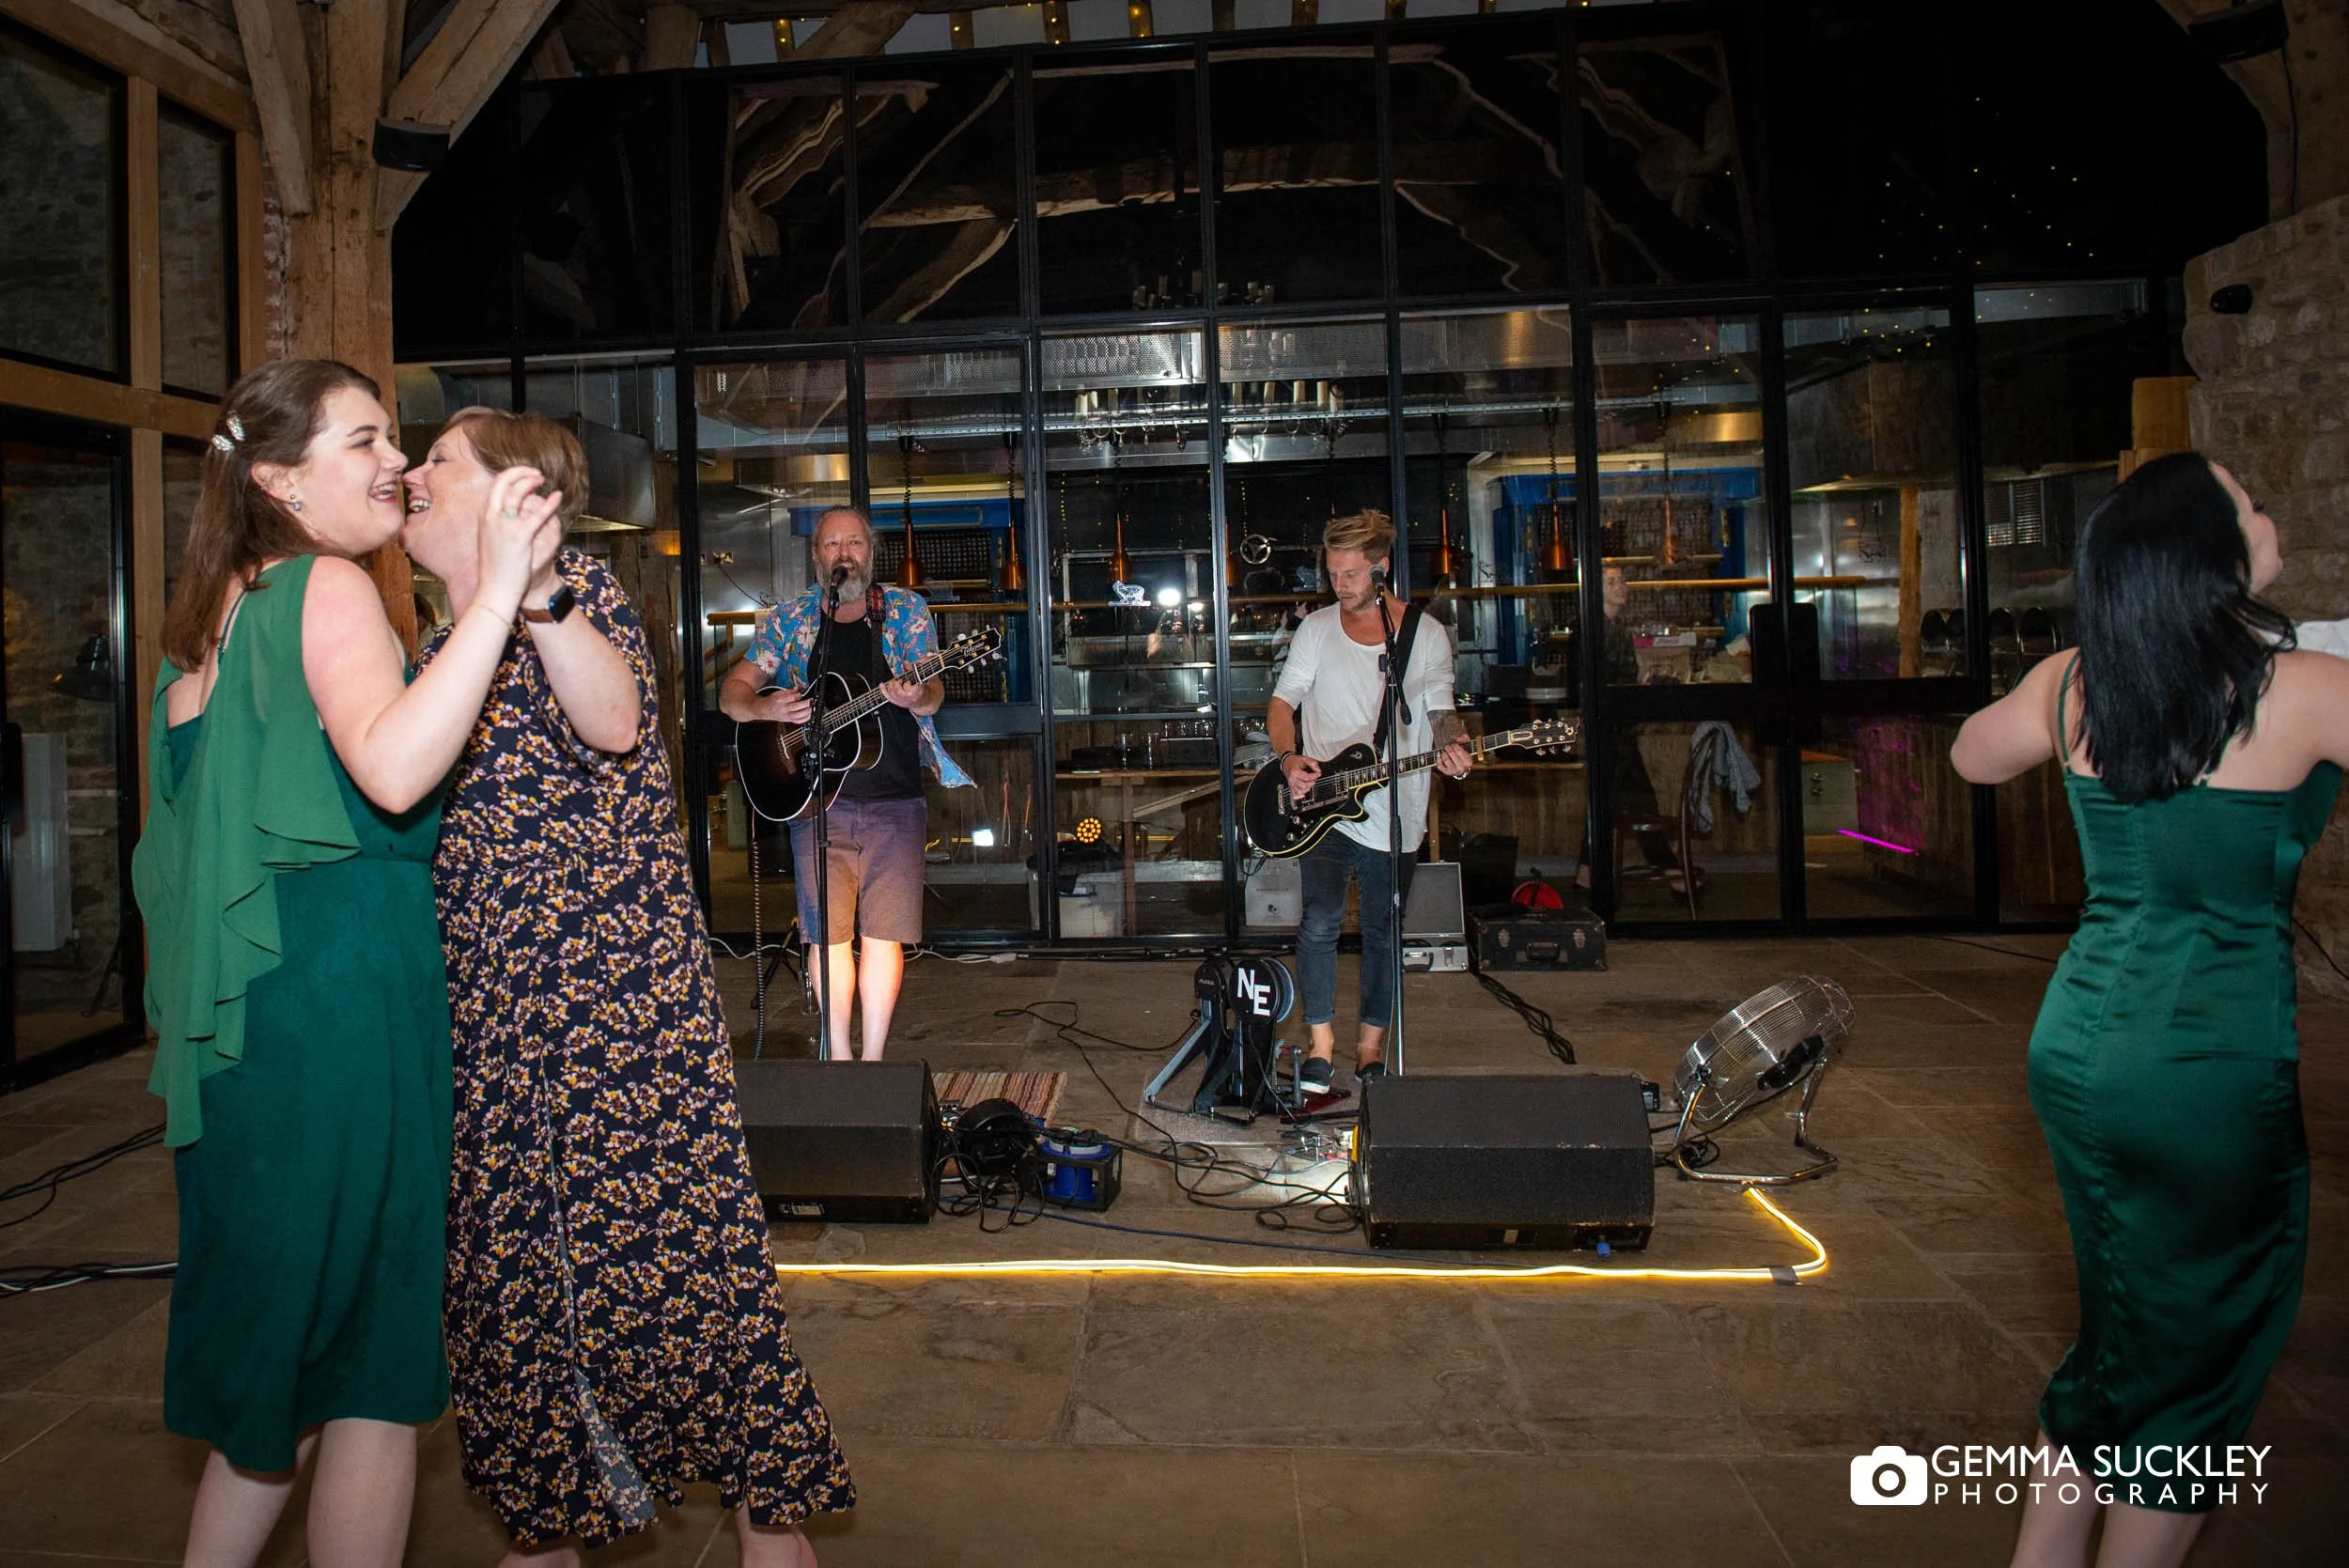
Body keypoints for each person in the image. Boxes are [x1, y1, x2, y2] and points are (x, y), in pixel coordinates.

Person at [402, 411, 853, 1565]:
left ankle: (765, 1519)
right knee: (517, 1281)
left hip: (615, 1016)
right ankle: (555, 1513)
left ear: (514, 493)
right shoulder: (438, 627)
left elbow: (614, 724)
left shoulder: (578, 591)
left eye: (436, 460)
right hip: (500, 1017)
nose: (411, 475)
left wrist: (535, 581)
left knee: (674, 1262)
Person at [133, 359, 559, 1567]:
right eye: (364, 440)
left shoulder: (204, 629)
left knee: (277, 1386)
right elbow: (391, 771)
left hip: (246, 1049)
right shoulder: (324, 588)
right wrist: (495, 601)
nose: (394, 460)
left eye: (394, 435)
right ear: (278, 478)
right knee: (373, 1363)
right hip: (345, 1015)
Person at [1951, 453, 2349, 1568]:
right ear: (2211, 551)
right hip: (2209, 1067)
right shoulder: (2301, 688)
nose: (2269, 513)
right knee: (2202, 1358)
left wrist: (2059, 689)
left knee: (2125, 1333)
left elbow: (1974, 756)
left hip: (2078, 1044)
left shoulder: (2078, 682)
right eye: (2252, 502)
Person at [717, 505, 973, 1061]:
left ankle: (873, 1064)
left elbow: (932, 692)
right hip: (813, 800)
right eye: (832, 545)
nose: (844, 555)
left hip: (895, 797)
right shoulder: (791, 619)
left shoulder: (905, 611)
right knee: (828, 936)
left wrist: (916, 694)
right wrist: (766, 711)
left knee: (884, 933)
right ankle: (838, 1059)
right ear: (816, 557)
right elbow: (731, 694)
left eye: (853, 544)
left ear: (870, 552)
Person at [1267, 509, 1472, 1096]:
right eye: (1333, 572)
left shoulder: (1426, 636)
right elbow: (1282, 705)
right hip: (1326, 805)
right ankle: (1321, 1046)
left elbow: (1441, 710)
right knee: (1320, 923)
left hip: (1396, 812)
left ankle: (1370, 1050)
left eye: (1352, 574)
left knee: (1385, 933)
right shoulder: (1316, 630)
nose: (1341, 584)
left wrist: (1451, 744)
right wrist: (1289, 759)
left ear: (1381, 571)